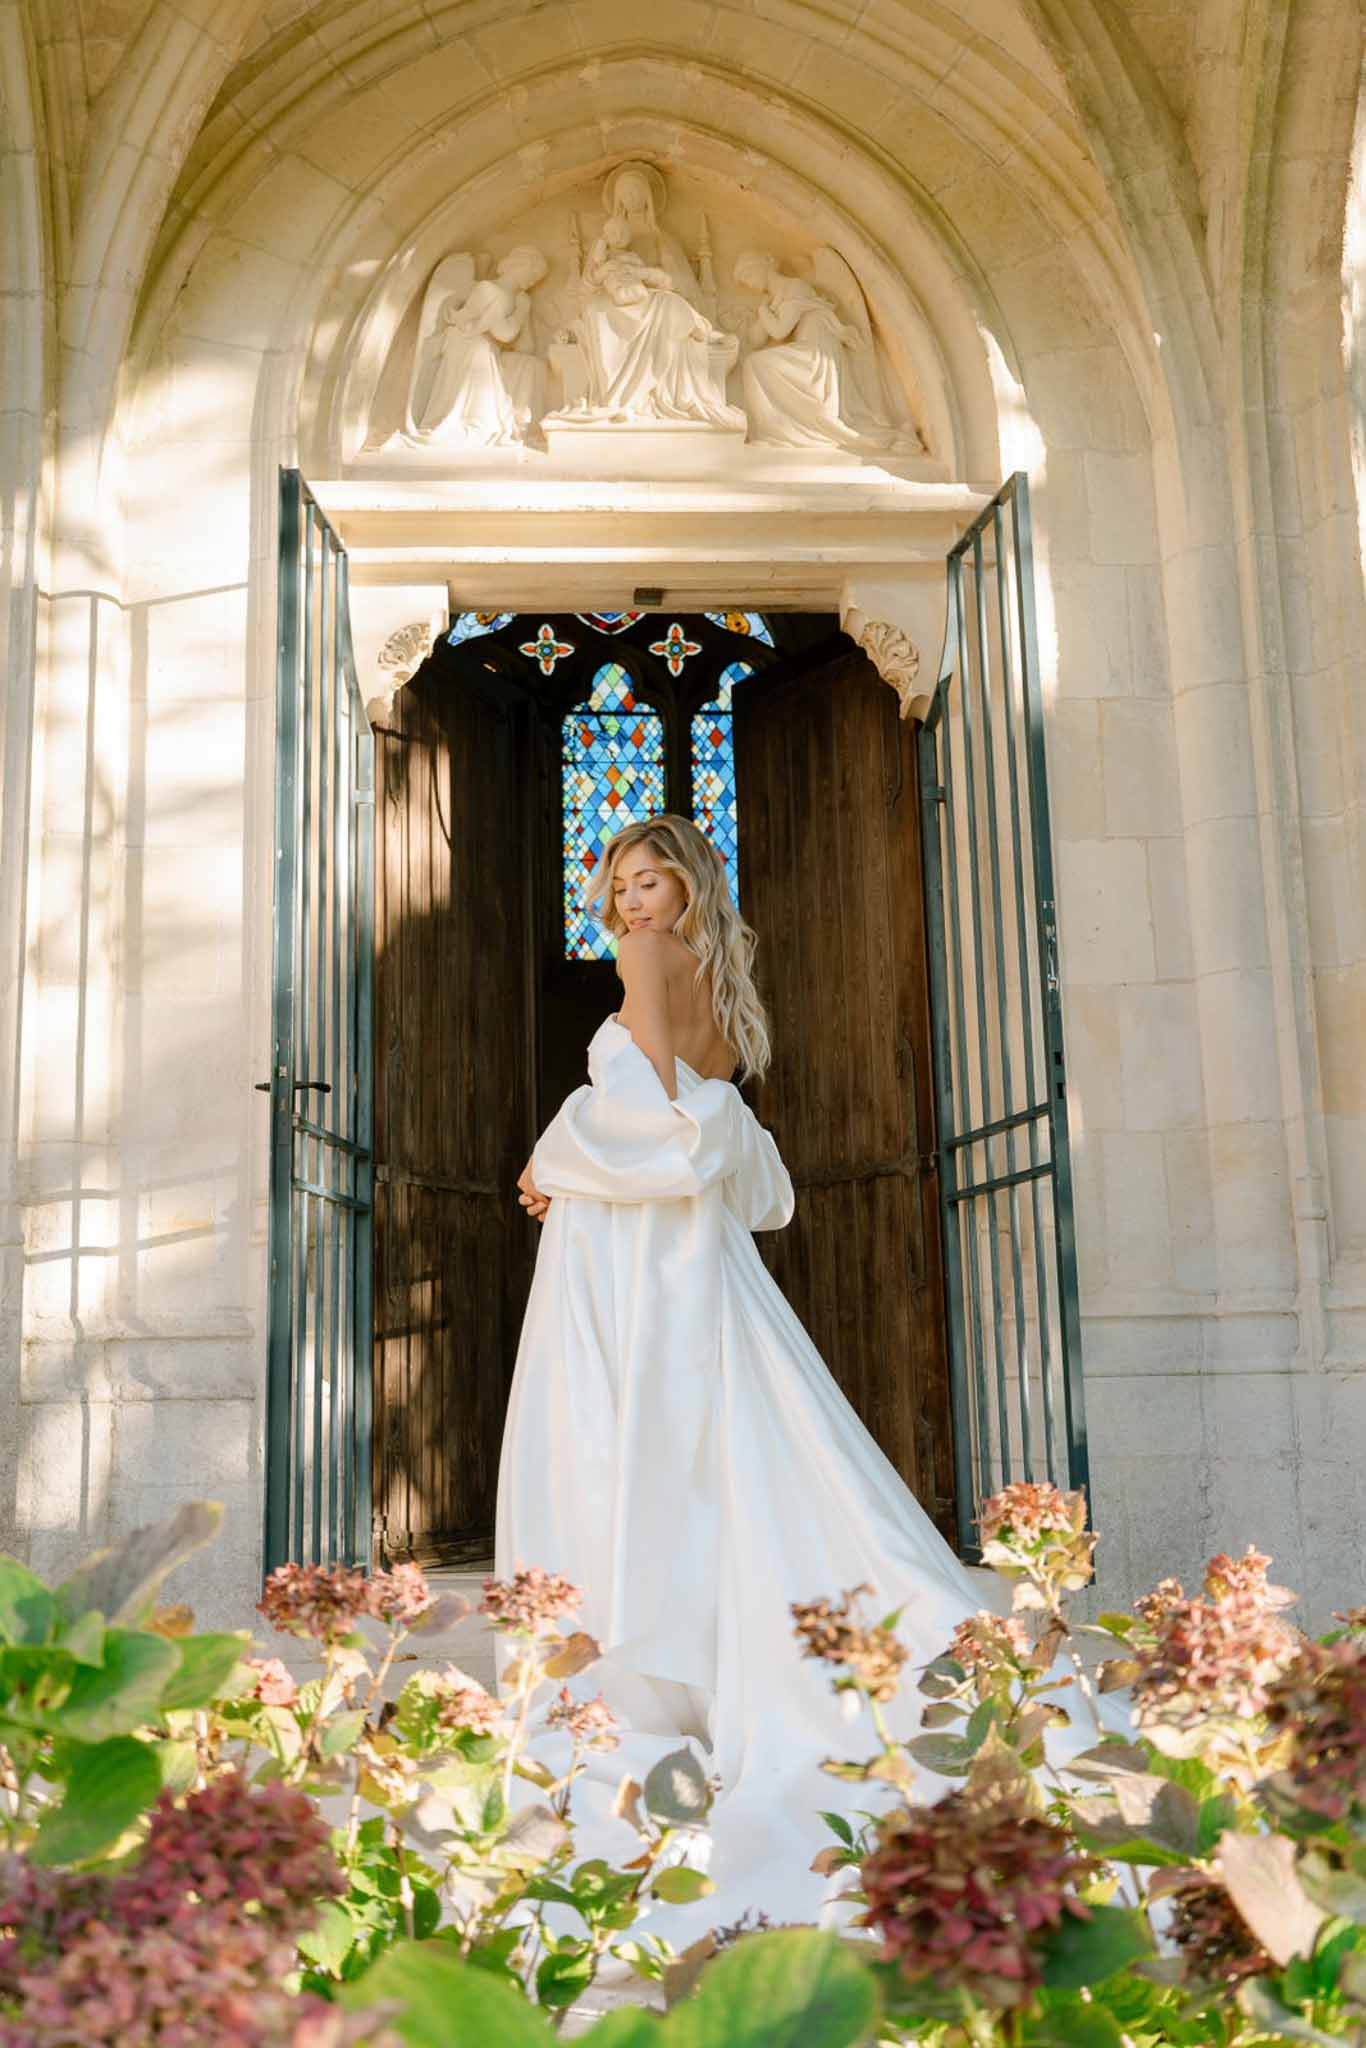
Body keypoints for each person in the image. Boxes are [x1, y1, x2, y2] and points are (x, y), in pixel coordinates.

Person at [494, 814, 1108, 1939]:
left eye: (652, 880)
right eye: (621, 883)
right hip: (676, 1244)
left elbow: (662, 1121)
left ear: (687, 884)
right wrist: (579, 1150)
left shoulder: (644, 963)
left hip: (631, 1249)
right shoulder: (722, 980)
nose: (633, 902)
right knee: (733, 1432)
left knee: (625, 1422)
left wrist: (553, 1152)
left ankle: (650, 1648)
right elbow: (713, 1122)